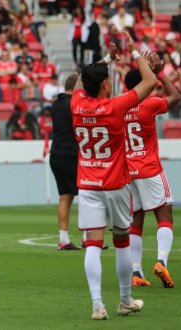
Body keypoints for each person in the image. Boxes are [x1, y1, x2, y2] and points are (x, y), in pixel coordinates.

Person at [71, 35, 157, 320]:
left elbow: (84, 80)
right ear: (106, 85)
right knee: (121, 240)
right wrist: (134, 51)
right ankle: (124, 300)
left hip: (88, 185)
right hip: (116, 183)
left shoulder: (76, 103)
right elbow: (150, 82)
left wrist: (106, 60)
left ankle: (97, 305)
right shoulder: (116, 106)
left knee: (93, 243)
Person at [123, 60, 181, 288]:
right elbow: (175, 95)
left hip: (127, 172)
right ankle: (161, 262)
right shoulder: (148, 104)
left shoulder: (118, 105)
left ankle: (136, 271)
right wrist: (158, 72)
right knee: (165, 215)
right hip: (149, 168)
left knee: (136, 222)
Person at [49, 74, 82, 250]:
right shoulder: (74, 104)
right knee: (86, 194)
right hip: (71, 155)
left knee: (65, 197)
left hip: (56, 155)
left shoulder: (56, 104)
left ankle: (64, 239)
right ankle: (87, 237)